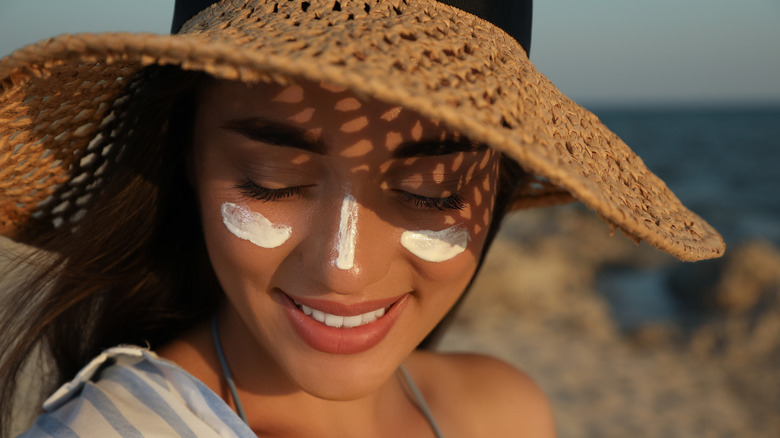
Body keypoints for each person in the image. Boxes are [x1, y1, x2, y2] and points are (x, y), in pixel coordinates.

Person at [0, 0, 725, 436]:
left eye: (432, 190)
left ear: (499, 181)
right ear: (184, 154)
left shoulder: (504, 412)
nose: (343, 268)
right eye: (270, 180)